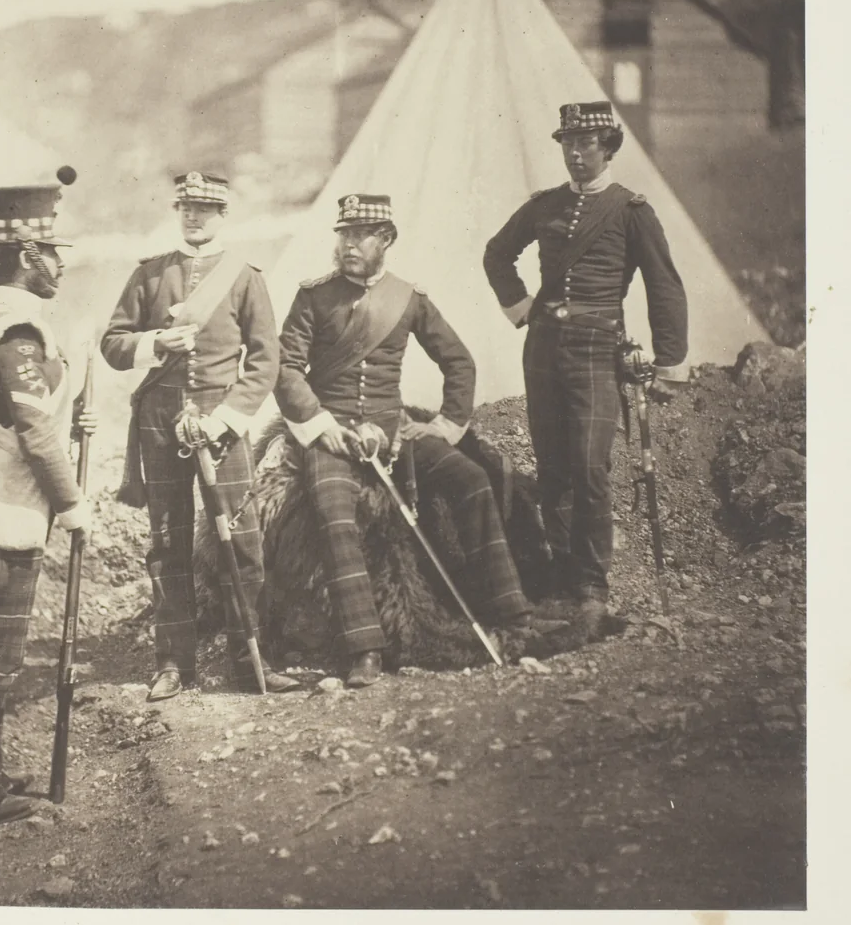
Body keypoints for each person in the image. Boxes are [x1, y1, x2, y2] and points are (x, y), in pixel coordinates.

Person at [274, 193, 568, 687]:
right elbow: (286, 369)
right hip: (331, 434)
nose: (349, 245)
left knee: (471, 479)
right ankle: (364, 647)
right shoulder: (313, 297)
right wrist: (323, 426)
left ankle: (512, 614)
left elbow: (459, 361)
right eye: (344, 235)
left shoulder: (409, 298)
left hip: (394, 430)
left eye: (361, 236)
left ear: (386, 239)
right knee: (333, 507)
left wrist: (446, 425)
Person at [483, 100, 689, 639]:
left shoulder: (630, 210)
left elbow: (664, 285)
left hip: (597, 350)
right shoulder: (545, 205)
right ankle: (560, 581)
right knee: (552, 466)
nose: (576, 154)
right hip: (543, 349)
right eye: (568, 144)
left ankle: (592, 587)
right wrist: (521, 308)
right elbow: (496, 254)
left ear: (609, 147)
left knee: (590, 466)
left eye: (586, 144)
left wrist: (669, 362)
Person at [101, 171, 299, 700]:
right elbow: (113, 344)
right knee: (167, 541)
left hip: (220, 423)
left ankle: (250, 661)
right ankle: (172, 663)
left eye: (204, 209)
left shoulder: (244, 277)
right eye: (185, 208)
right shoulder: (150, 274)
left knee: (241, 539)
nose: (193, 217)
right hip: (159, 421)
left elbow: (265, 360)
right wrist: (155, 343)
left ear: (223, 215)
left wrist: (226, 418)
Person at [0, 178, 96, 827]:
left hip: (2, 512)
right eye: (54, 252)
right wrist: (73, 503)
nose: (62, 264)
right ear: (29, 256)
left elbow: (37, 410)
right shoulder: (18, 334)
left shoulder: (15, 328)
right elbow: (34, 431)